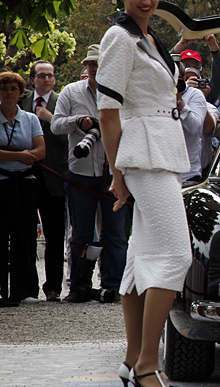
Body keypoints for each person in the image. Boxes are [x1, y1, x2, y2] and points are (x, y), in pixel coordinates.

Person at [97, 0, 190, 387]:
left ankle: (133, 360)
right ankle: (150, 366)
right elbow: (107, 112)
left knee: (140, 261)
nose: (146, 0)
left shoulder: (148, 37)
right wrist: (117, 174)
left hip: (160, 152)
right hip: (142, 154)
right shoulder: (118, 37)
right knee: (177, 256)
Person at [52, 45, 130, 303]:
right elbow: (55, 125)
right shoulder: (71, 91)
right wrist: (79, 121)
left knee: (116, 234)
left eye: (99, 64)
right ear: (86, 67)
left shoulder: (122, 93)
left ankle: (112, 286)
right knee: (80, 235)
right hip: (81, 173)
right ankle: (79, 285)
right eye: (91, 64)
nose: (95, 69)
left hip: (113, 174)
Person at [20, 59, 67, 301]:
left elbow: (71, 141)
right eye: (41, 75)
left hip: (54, 176)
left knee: (55, 234)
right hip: (24, 174)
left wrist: (50, 119)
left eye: (50, 75)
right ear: (32, 79)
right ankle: (28, 287)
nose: (46, 79)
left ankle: (53, 288)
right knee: (26, 231)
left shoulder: (63, 102)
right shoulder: (21, 101)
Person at [0, 71, 45, 307]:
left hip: (25, 183)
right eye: (4, 88)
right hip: (1, 183)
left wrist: (14, 157)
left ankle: (24, 289)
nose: (9, 93)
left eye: (13, 89)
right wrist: (20, 155)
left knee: (24, 235)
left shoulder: (30, 119)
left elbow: (40, 150)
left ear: (20, 93)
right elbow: (28, 153)